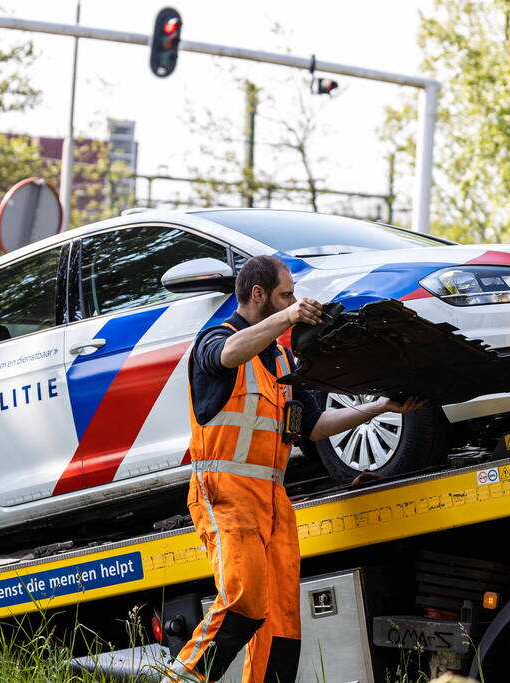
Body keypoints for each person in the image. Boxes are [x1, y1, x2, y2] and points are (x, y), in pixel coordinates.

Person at [162, 255, 426, 683]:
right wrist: (288, 316)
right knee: (244, 599)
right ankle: (182, 678)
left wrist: (380, 407)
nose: (294, 301)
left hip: (272, 500)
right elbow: (227, 356)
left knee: (281, 622)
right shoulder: (217, 338)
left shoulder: (282, 362)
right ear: (258, 294)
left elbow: (315, 427)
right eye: (286, 295)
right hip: (226, 491)